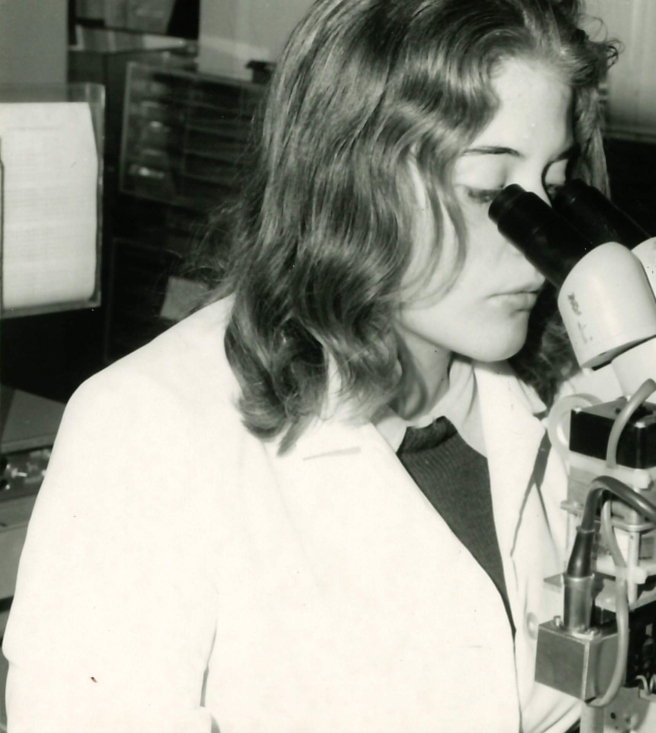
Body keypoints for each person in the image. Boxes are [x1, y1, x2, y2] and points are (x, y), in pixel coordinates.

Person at [2, 1, 617, 730]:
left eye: (553, 187)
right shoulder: (150, 425)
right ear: (351, 179)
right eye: (489, 193)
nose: (538, 243)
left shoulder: (570, 391)